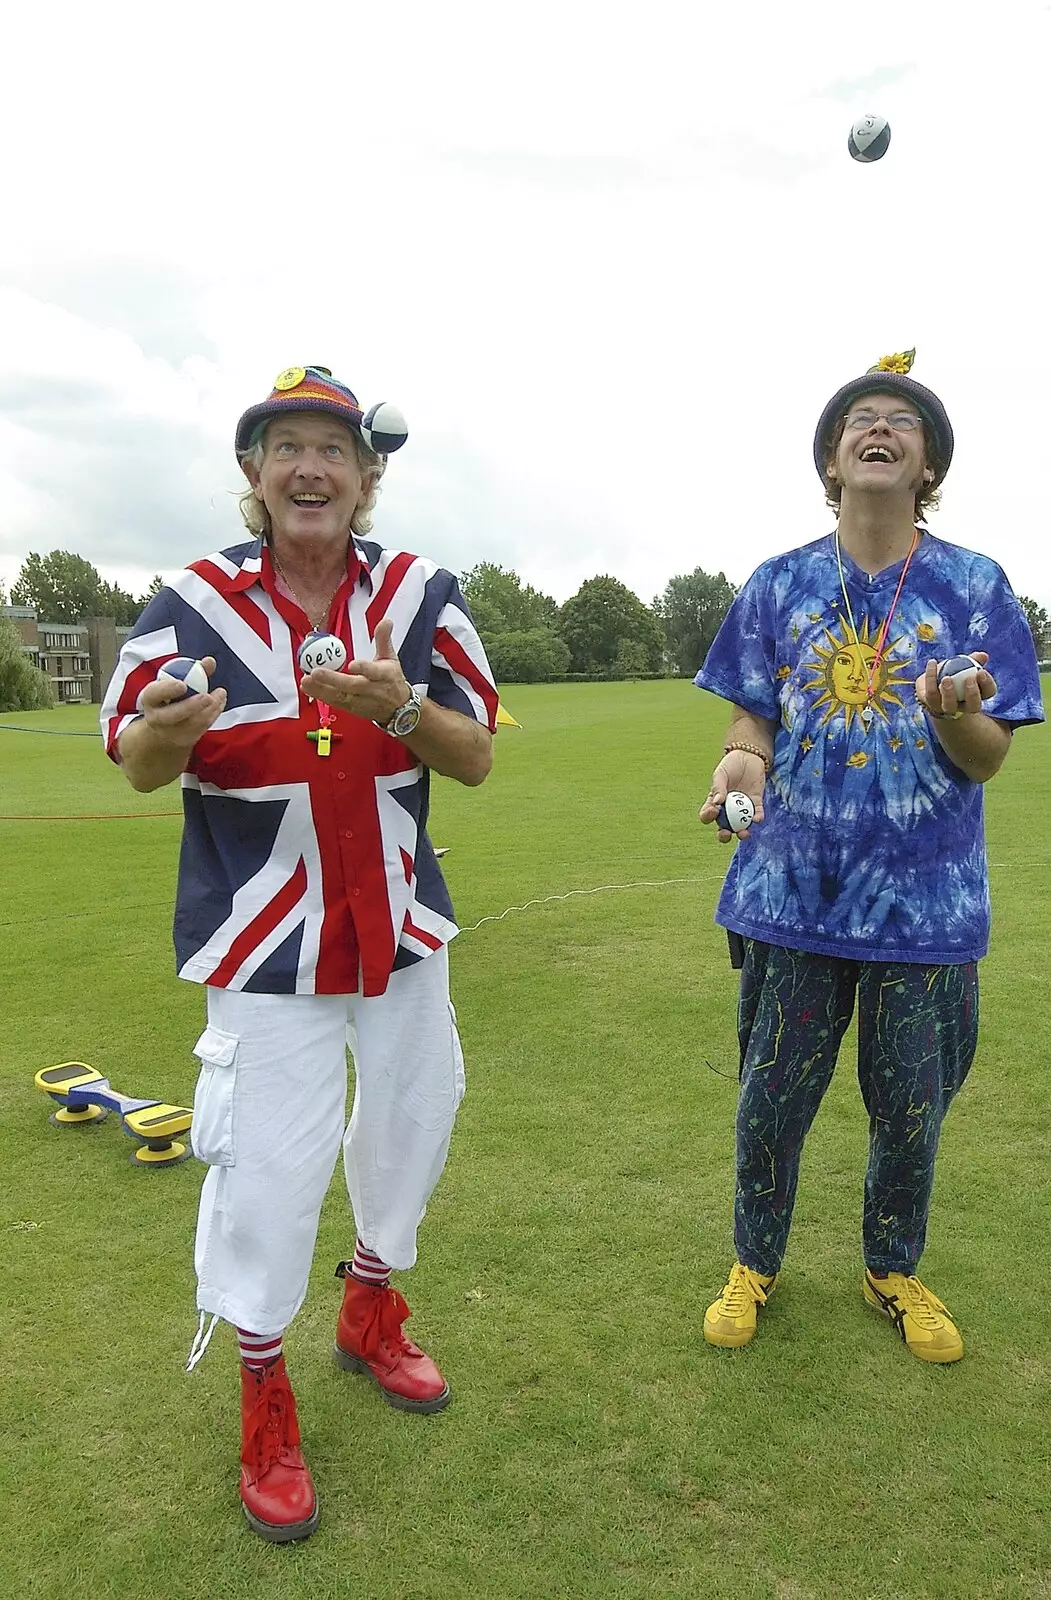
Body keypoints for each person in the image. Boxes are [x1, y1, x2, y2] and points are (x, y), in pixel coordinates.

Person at [100, 365, 497, 1541]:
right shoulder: (188, 599)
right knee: (269, 1167)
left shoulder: (424, 592)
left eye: (333, 448)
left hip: (402, 926)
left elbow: (472, 756)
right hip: (263, 934)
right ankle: (263, 1389)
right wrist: (169, 729)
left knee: (417, 1113)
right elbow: (135, 753)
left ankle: (371, 1308)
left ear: (366, 477)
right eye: (287, 448)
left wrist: (398, 708)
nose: (311, 468)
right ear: (254, 475)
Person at [694, 350, 1043, 1364]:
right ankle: (754, 1261)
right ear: (833, 458)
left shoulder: (975, 588)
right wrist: (736, 774)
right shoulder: (779, 583)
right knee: (771, 1095)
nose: (878, 428)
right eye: (859, 419)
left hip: (924, 908)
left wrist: (955, 714)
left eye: (901, 419)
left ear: (925, 460)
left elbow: (985, 761)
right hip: (790, 894)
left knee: (911, 1110)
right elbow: (747, 724)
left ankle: (891, 1267)